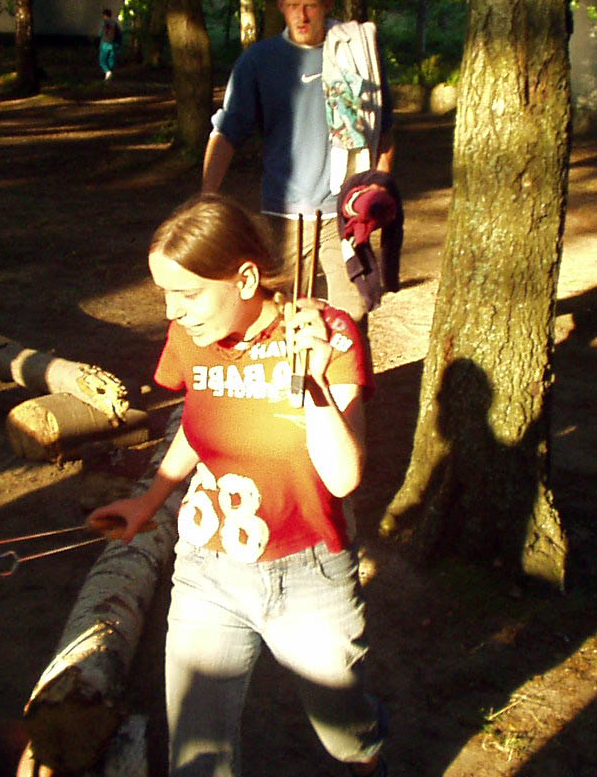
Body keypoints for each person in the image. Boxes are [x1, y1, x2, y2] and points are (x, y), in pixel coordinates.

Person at [89, 194, 388, 777]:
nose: (173, 311)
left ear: (245, 279)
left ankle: (368, 758)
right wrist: (149, 499)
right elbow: (201, 420)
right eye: (164, 294)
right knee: (197, 752)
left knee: (345, 729)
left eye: (187, 294)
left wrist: (314, 383)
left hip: (307, 572)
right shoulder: (191, 335)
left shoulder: (328, 332)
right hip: (207, 567)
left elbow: (343, 477)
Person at [201, 0, 395, 323]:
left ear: (327, 5)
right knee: (281, 318)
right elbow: (227, 131)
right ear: (280, 6)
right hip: (283, 216)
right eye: (293, 5)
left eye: (311, 5)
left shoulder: (356, 54)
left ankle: (348, 362)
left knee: (353, 317)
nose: (301, 16)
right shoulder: (259, 61)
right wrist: (206, 195)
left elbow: (383, 127)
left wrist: (379, 188)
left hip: (344, 214)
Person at [98, 7, 122, 80]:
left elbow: (101, 33)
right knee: (111, 59)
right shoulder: (115, 23)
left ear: (104, 15)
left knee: (102, 60)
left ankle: (107, 72)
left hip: (105, 43)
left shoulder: (104, 23)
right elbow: (119, 34)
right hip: (114, 44)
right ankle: (110, 74)